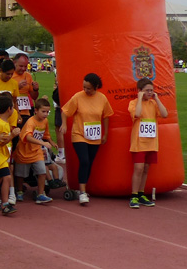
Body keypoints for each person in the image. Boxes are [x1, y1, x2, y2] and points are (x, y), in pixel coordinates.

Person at [61, 73, 114, 206]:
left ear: (96, 87)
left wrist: (105, 134)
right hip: (79, 134)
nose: (85, 90)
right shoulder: (78, 97)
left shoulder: (102, 98)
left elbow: (106, 116)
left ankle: (83, 188)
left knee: (89, 162)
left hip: (94, 136)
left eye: (89, 88)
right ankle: (83, 192)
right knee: (84, 160)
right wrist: (64, 124)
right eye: (84, 87)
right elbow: (65, 111)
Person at [128, 78, 168, 209]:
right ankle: (134, 195)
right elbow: (137, 114)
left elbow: (165, 114)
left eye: (151, 90)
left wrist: (157, 99)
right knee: (138, 168)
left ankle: (141, 193)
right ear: (139, 91)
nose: (150, 93)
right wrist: (139, 98)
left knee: (146, 169)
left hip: (151, 142)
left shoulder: (153, 104)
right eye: (147, 91)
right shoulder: (133, 103)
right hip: (139, 142)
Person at [13, 97, 55, 204]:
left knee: (42, 171)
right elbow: (28, 137)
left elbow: (46, 134)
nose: (46, 114)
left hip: (36, 152)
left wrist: (51, 142)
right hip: (24, 151)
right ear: (36, 111)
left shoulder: (45, 121)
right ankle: (20, 191)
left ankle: (40, 194)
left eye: (47, 112)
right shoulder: (31, 122)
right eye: (43, 111)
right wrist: (42, 143)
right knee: (20, 174)